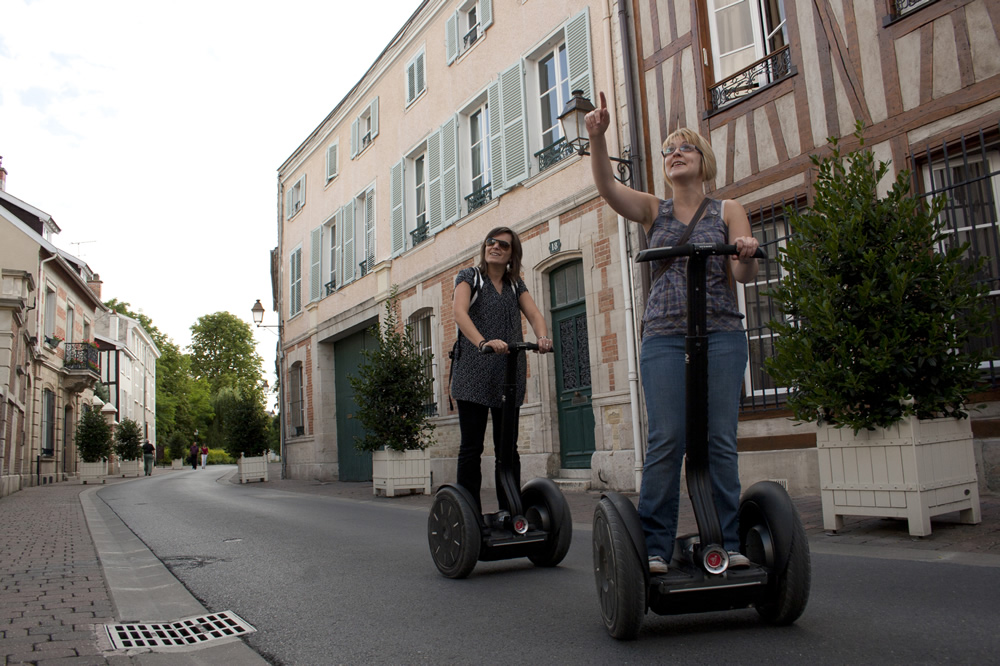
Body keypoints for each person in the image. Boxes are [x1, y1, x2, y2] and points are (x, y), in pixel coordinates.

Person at [586, 92, 759, 574]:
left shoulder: (728, 209)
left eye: (685, 147)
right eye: (668, 150)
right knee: (667, 439)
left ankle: (727, 540)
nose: (675, 153)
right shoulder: (652, 210)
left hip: (722, 334)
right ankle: (656, 545)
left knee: (720, 439)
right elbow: (606, 187)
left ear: (703, 161)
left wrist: (743, 251)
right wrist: (598, 139)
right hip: (663, 337)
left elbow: (741, 278)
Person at [450, 226, 553, 514]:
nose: (495, 247)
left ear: (511, 255)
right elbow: (459, 313)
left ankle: (510, 511)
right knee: (471, 449)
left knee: (507, 449)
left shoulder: (514, 283)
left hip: (508, 373)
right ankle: (469, 514)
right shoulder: (469, 276)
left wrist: (542, 337)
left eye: (503, 245)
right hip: (473, 371)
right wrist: (483, 342)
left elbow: (533, 314)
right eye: (491, 241)